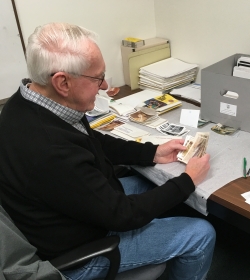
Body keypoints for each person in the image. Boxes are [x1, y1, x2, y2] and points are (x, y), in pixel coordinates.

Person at [0, 22, 215, 280]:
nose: (104, 86)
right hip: (79, 249)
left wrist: (153, 152)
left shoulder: (29, 101)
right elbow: (121, 215)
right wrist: (188, 180)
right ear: (63, 82)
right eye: (97, 78)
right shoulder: (50, 149)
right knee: (201, 233)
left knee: (151, 181)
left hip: (74, 210)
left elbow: (94, 142)